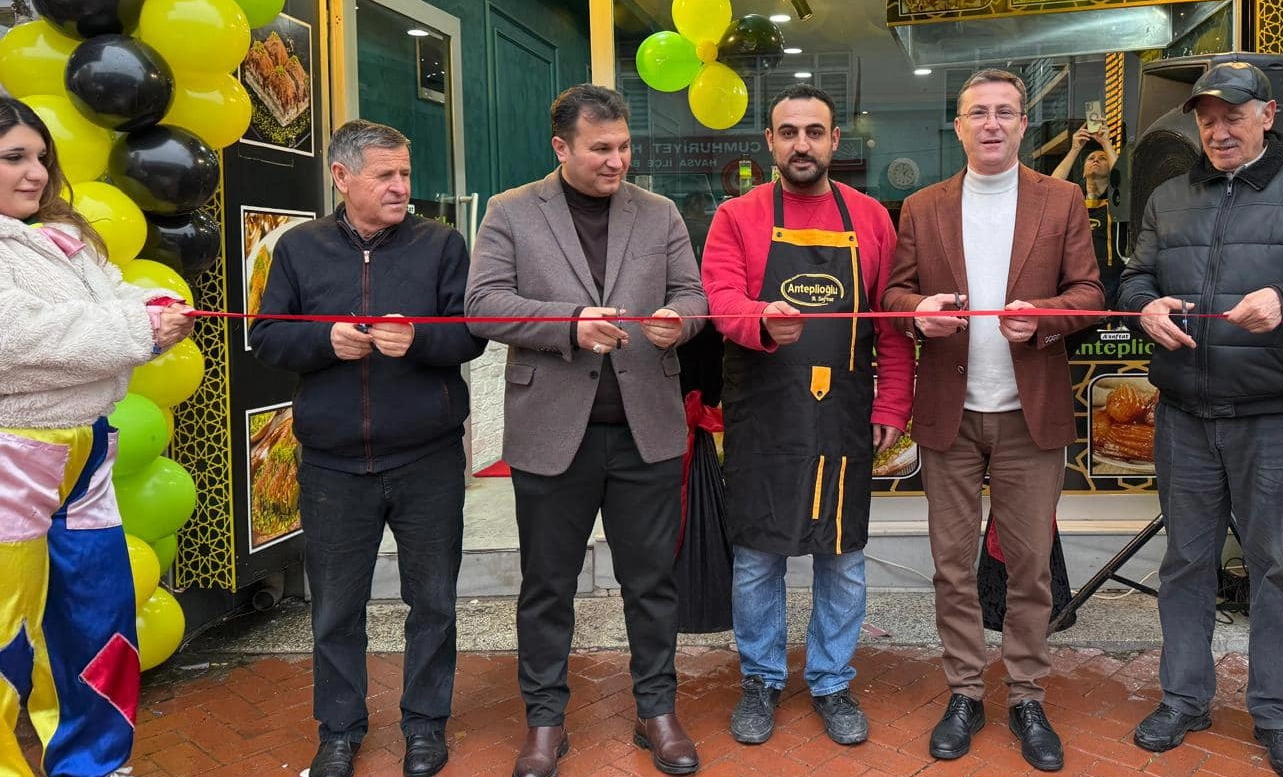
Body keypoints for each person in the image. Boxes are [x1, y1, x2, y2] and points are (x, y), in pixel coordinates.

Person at [1118, 62, 1283, 777]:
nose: (1219, 130)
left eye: (1233, 115)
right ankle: (1184, 698)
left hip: (1276, 415)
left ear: (1267, 114)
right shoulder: (1169, 195)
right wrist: (1143, 307)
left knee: (1274, 568)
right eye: (1207, 118)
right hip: (1185, 412)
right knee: (1185, 564)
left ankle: (1276, 714)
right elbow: (1135, 278)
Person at [465, 84, 707, 777]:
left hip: (645, 431)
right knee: (547, 585)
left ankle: (656, 711)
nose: (617, 161)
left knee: (650, 583)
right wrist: (569, 324)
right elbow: (482, 306)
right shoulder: (512, 210)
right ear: (561, 147)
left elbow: (692, 295)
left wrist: (680, 323)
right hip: (551, 434)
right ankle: (544, 721)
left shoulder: (658, 212)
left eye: (624, 147)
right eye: (601, 148)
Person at [883, 69, 1104, 772]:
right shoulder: (922, 206)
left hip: (1027, 413)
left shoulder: (1062, 199)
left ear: (1022, 125)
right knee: (952, 568)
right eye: (978, 112)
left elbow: (1090, 293)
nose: (992, 123)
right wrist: (917, 314)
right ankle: (965, 693)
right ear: (958, 126)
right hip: (949, 415)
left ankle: (1028, 696)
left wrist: (1044, 318)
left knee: (1030, 568)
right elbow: (895, 293)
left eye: (1005, 112)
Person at [252, 120, 485, 777]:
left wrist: (421, 340)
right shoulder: (298, 249)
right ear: (342, 177)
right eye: (385, 175)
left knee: (433, 602)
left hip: (427, 457)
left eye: (405, 173)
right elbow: (267, 337)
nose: (401, 186)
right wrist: (324, 340)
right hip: (332, 465)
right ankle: (339, 731)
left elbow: (471, 333)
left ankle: (425, 725)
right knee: (335, 608)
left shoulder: (441, 244)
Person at [699, 84, 913, 749]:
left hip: (845, 411)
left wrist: (893, 401)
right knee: (757, 556)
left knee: (842, 557)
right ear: (769, 141)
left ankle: (831, 680)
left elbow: (890, 325)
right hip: (763, 411)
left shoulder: (872, 219)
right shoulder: (736, 217)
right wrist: (760, 318)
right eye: (788, 132)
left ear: (834, 141)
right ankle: (760, 678)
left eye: (814, 132)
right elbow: (719, 298)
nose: (801, 144)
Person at [0, 97, 195, 777]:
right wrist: (138, 328)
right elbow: (14, 337)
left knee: (97, 615)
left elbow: (113, 299)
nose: (35, 173)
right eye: (13, 158)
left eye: (40, 157)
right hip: (13, 453)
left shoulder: (63, 237)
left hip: (87, 451)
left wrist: (152, 311)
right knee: (7, 631)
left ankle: (93, 765)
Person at [1052, 125, 1126, 302]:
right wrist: (1075, 149)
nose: (1096, 160)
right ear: (1083, 172)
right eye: (1091, 158)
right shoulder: (1074, 199)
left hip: (1113, 280)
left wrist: (1105, 142)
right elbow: (1052, 188)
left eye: (1103, 158)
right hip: (1076, 277)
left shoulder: (1118, 201)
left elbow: (1124, 181)